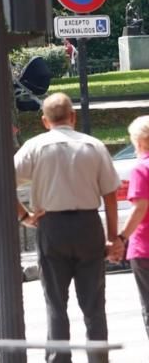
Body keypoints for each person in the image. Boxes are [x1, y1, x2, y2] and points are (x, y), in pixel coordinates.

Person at [14, 92, 121, 363]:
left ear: (44, 121)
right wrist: (113, 238)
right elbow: (109, 195)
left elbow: (4, 181)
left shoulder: (35, 146)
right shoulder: (93, 146)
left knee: (56, 304)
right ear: (73, 117)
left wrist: (24, 216)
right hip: (88, 225)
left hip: (52, 226)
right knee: (94, 306)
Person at [119, 115, 149, 339]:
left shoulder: (141, 169)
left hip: (145, 247)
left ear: (138, 142)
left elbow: (140, 208)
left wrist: (121, 237)